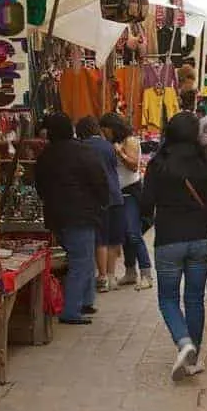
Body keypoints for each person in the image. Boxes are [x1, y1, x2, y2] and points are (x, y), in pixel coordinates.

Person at [141, 112, 207, 382]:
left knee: (168, 299)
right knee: (194, 299)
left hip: (168, 240)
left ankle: (184, 343)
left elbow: (146, 204)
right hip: (200, 241)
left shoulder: (158, 164)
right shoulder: (204, 164)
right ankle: (192, 359)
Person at [36, 113, 109, 324]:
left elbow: (39, 186)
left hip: (56, 216)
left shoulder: (45, 156)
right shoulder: (83, 152)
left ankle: (85, 301)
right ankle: (72, 310)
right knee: (81, 261)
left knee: (82, 259)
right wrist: (102, 202)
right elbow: (99, 180)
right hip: (81, 214)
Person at [100, 113, 154, 290]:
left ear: (112, 127)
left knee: (133, 233)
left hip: (131, 192)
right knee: (124, 235)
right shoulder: (109, 142)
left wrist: (119, 153)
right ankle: (130, 271)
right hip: (116, 192)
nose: (104, 133)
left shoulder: (129, 141)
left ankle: (146, 273)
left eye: (105, 129)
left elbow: (133, 165)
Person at [76, 116, 125, 292]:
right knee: (113, 239)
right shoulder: (109, 147)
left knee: (101, 239)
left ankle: (102, 276)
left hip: (97, 198)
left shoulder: (82, 147)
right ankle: (111, 277)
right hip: (115, 195)